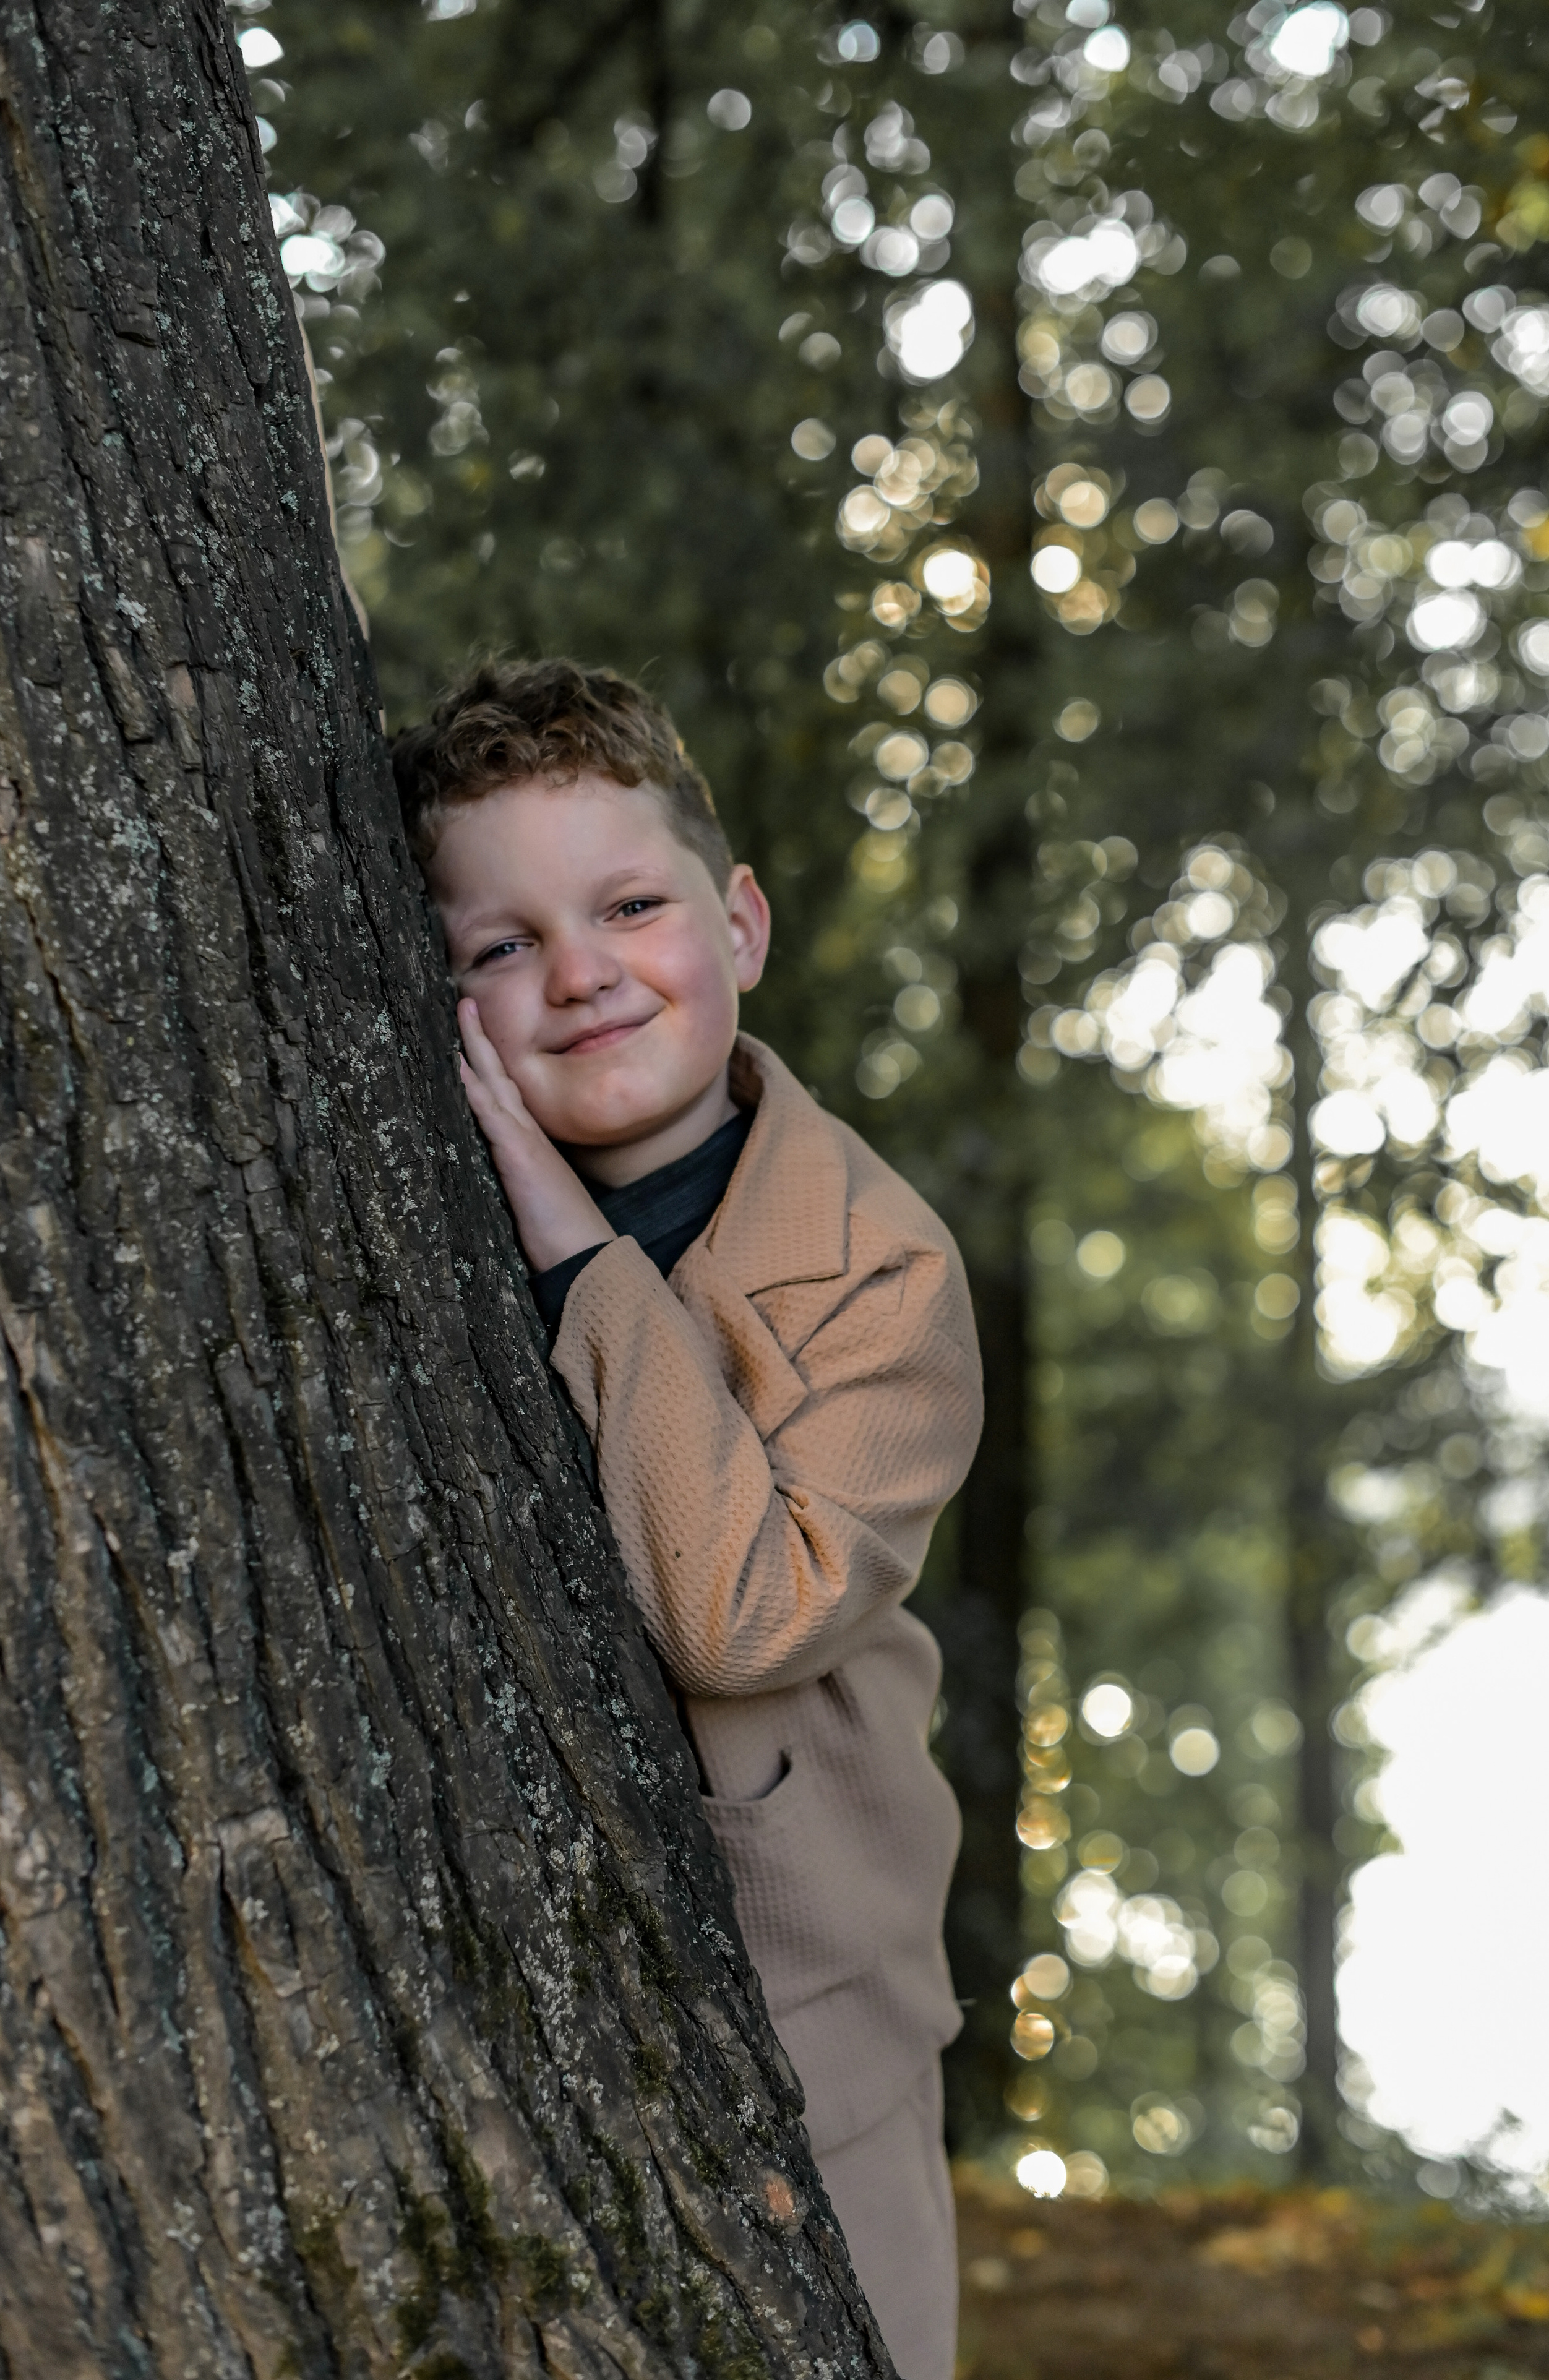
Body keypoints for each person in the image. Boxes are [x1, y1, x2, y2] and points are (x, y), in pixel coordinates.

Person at [391, 657, 983, 2380]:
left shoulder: (880, 1266)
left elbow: (746, 1612)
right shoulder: (408, 1208)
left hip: (817, 2010)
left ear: (739, 924)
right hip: (505, 1972)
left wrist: (580, 1252)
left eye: (629, 906)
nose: (578, 975)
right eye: (500, 947)